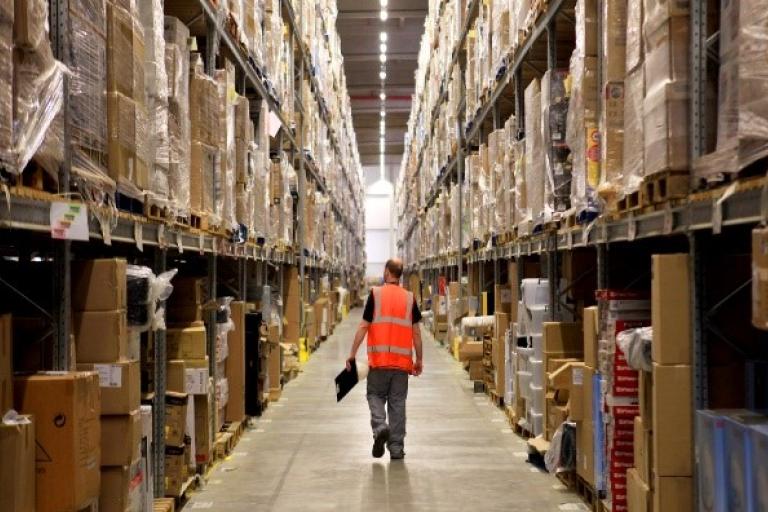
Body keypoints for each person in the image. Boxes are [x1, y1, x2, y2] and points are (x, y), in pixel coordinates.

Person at [346, 258, 423, 460]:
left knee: (375, 395)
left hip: (379, 362)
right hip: (401, 365)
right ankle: (396, 449)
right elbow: (416, 333)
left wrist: (352, 354)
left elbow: (363, 327)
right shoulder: (409, 298)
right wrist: (419, 359)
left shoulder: (376, 295)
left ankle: (380, 427)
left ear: (387, 272)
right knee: (398, 403)